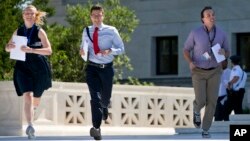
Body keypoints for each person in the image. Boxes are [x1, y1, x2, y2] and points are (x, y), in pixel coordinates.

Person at [5, 5, 52, 139]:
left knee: (36, 98)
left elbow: (49, 50)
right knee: (28, 95)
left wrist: (31, 50)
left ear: (35, 15)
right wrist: (9, 47)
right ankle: (30, 126)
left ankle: (33, 110)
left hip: (38, 67)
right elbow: (7, 48)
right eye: (26, 13)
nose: (28, 15)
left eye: (31, 13)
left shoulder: (39, 31)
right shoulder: (18, 31)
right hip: (22, 66)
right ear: (23, 15)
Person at [183, 6, 230, 138]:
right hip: (198, 71)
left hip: (215, 71)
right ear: (203, 19)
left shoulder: (221, 33)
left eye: (213, 14)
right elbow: (186, 50)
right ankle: (196, 109)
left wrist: (224, 53)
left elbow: (227, 51)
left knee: (212, 101)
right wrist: (190, 62)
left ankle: (206, 129)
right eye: (208, 15)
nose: (211, 17)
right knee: (201, 100)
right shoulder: (195, 33)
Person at [79, 4, 125, 140]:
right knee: (95, 98)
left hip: (107, 69)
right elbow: (83, 47)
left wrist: (110, 51)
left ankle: (105, 106)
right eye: (94, 16)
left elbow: (121, 48)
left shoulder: (111, 30)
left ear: (103, 16)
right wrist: (82, 51)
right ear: (91, 17)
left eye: (99, 15)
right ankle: (96, 128)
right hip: (92, 68)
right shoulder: (86, 31)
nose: (97, 18)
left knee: (105, 98)